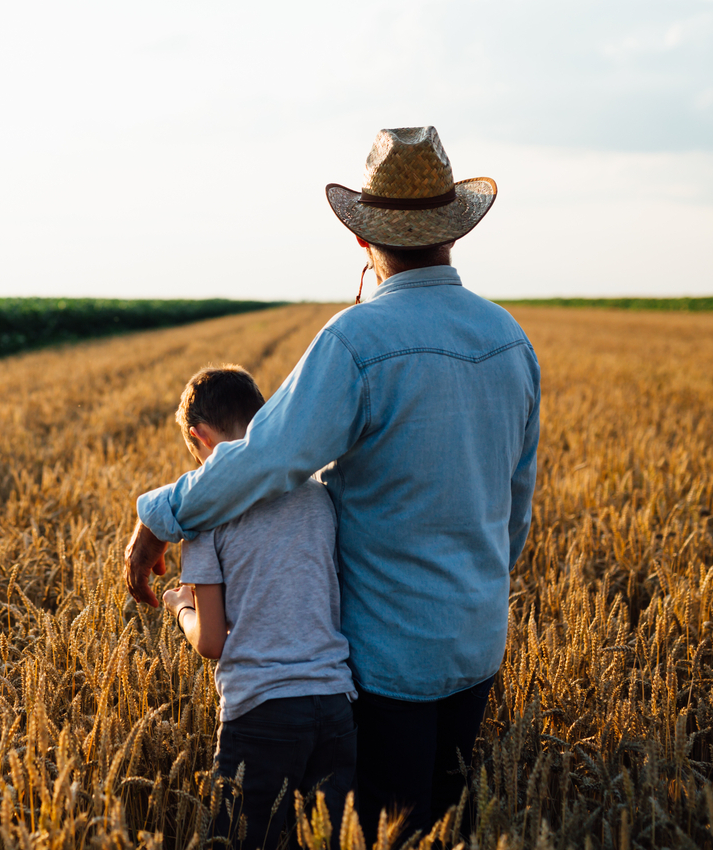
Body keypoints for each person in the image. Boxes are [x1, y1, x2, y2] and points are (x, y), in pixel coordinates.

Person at [123, 126, 540, 840]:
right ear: (452, 232)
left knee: (375, 833)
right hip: (476, 647)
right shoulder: (511, 341)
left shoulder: (358, 343)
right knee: (443, 827)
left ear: (363, 240)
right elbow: (515, 516)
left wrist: (161, 515)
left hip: (385, 666)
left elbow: (264, 461)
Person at [158, 364, 356, 850]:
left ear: (197, 435)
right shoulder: (317, 495)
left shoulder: (206, 515)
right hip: (335, 706)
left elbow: (210, 642)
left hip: (260, 714)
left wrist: (182, 607)